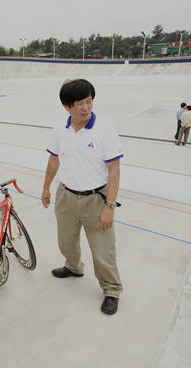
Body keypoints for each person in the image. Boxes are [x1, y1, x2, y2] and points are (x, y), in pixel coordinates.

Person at [41, 79, 124, 315]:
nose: (86, 107)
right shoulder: (60, 130)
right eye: (80, 103)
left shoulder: (104, 130)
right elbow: (54, 159)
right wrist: (46, 188)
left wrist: (109, 205)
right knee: (66, 242)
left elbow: (114, 170)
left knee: (103, 250)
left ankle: (111, 290)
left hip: (95, 199)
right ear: (67, 106)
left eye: (89, 101)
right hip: (66, 195)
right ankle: (74, 267)